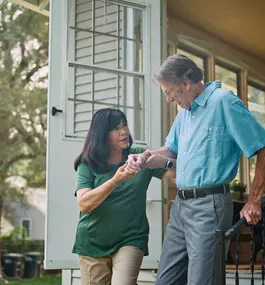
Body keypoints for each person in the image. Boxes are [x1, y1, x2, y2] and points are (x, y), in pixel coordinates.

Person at [126, 54, 265, 285]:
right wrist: (146, 155)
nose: (169, 99)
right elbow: (171, 151)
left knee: (201, 281)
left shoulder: (224, 102)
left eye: (169, 92)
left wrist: (253, 200)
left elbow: (261, 147)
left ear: (185, 83)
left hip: (209, 207)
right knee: (166, 281)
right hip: (180, 207)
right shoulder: (184, 114)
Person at [72, 108, 175, 285]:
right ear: (101, 134)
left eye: (124, 125)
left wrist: (166, 161)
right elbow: (84, 204)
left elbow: (177, 174)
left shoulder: (138, 157)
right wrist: (116, 180)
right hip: (93, 240)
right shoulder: (88, 162)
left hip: (131, 237)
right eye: (115, 129)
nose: (124, 132)